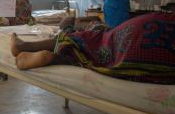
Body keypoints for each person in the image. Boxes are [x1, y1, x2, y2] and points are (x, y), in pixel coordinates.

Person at [10, 12, 175, 84]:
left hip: (146, 28)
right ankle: (55, 58)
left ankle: (25, 46)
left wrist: (70, 26)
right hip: (160, 47)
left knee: (91, 39)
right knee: (97, 49)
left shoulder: (94, 26)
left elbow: (90, 27)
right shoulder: (94, 23)